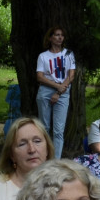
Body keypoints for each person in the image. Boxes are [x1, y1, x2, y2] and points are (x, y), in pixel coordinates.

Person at [36, 26, 75, 158]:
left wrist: (59, 91)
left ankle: (55, 161)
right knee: (44, 128)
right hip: (46, 91)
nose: (60, 38)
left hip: (63, 92)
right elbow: (40, 77)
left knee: (58, 130)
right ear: (50, 37)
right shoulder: (43, 56)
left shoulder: (68, 54)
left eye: (62, 35)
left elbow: (71, 75)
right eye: (57, 35)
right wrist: (55, 86)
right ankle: (43, 157)